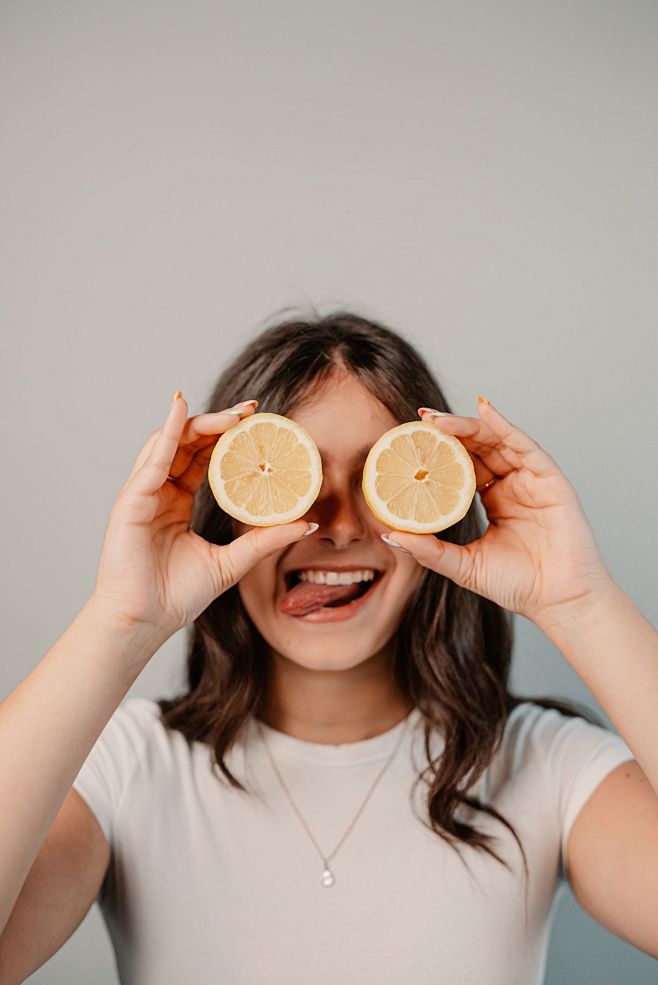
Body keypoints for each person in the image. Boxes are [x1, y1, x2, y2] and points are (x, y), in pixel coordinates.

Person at [0, 311, 656, 985]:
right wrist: (120, 619)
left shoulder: (546, 765)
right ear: (226, 506)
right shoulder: (126, 767)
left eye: (380, 480)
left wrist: (581, 603)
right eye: (294, 480)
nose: (336, 526)